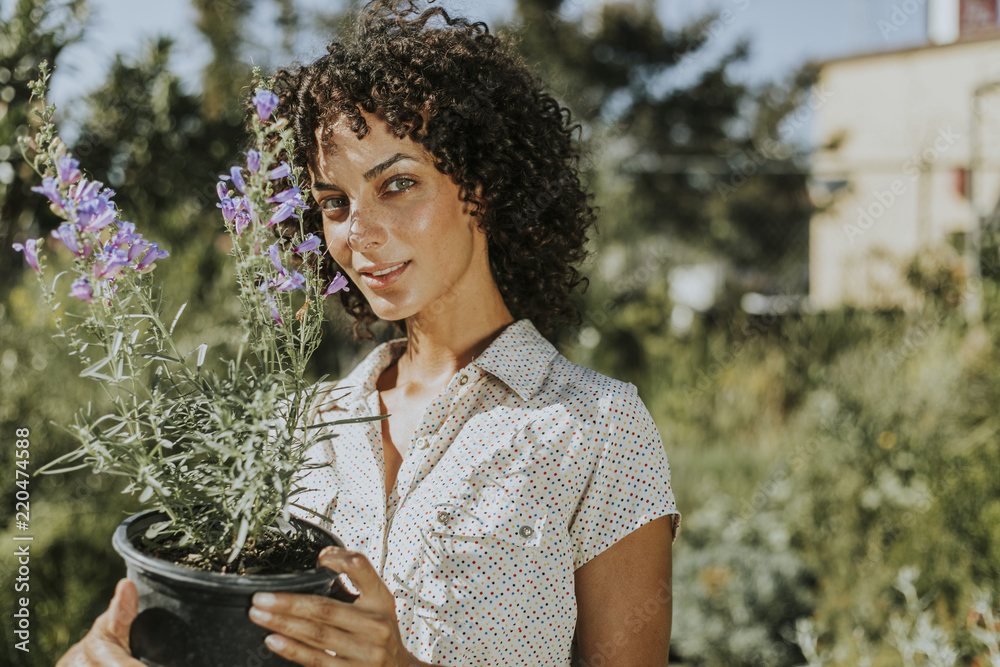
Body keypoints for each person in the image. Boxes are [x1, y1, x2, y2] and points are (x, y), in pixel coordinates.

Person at [56, 1, 680, 665]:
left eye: (399, 184)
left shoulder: (599, 430)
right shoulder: (298, 429)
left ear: (485, 186)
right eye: (335, 202)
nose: (359, 234)